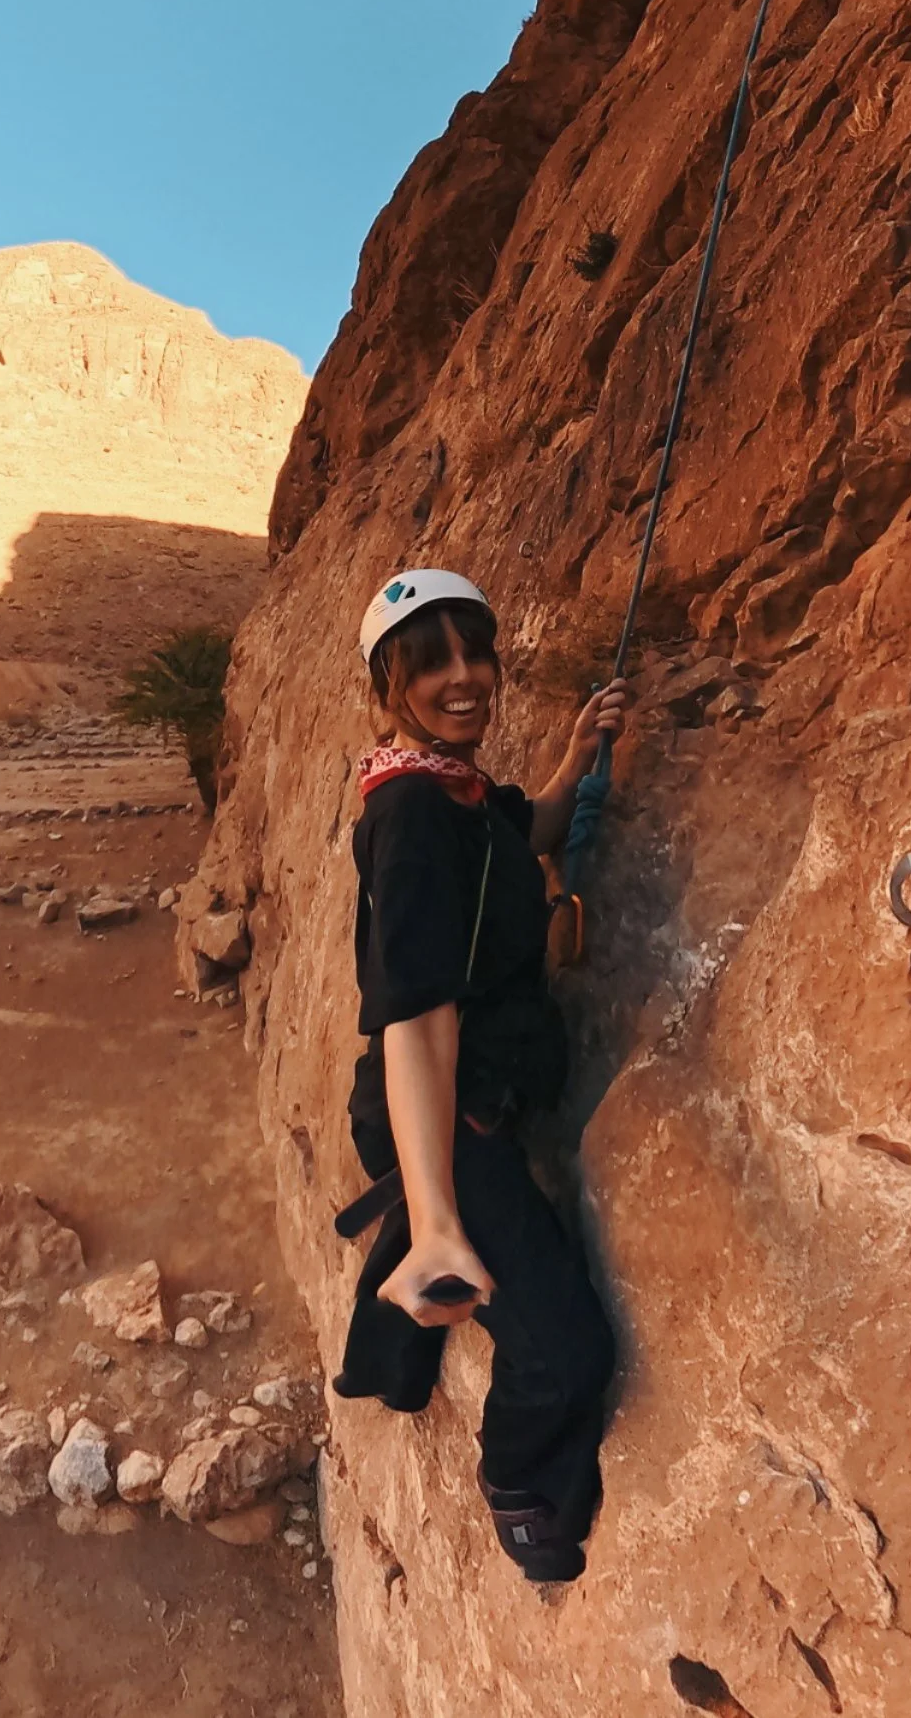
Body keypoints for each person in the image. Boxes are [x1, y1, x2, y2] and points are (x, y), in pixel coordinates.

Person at [330, 568, 629, 1583]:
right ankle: (516, 1484)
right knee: (563, 1348)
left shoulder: (455, 787)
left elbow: (526, 830)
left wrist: (578, 753)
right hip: (446, 1110)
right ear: (390, 683)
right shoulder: (413, 814)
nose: (465, 677)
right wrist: (438, 1205)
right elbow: (415, 1022)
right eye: (432, 661)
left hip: (467, 1103)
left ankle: (413, 1291)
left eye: (476, 652)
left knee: (489, 1274)